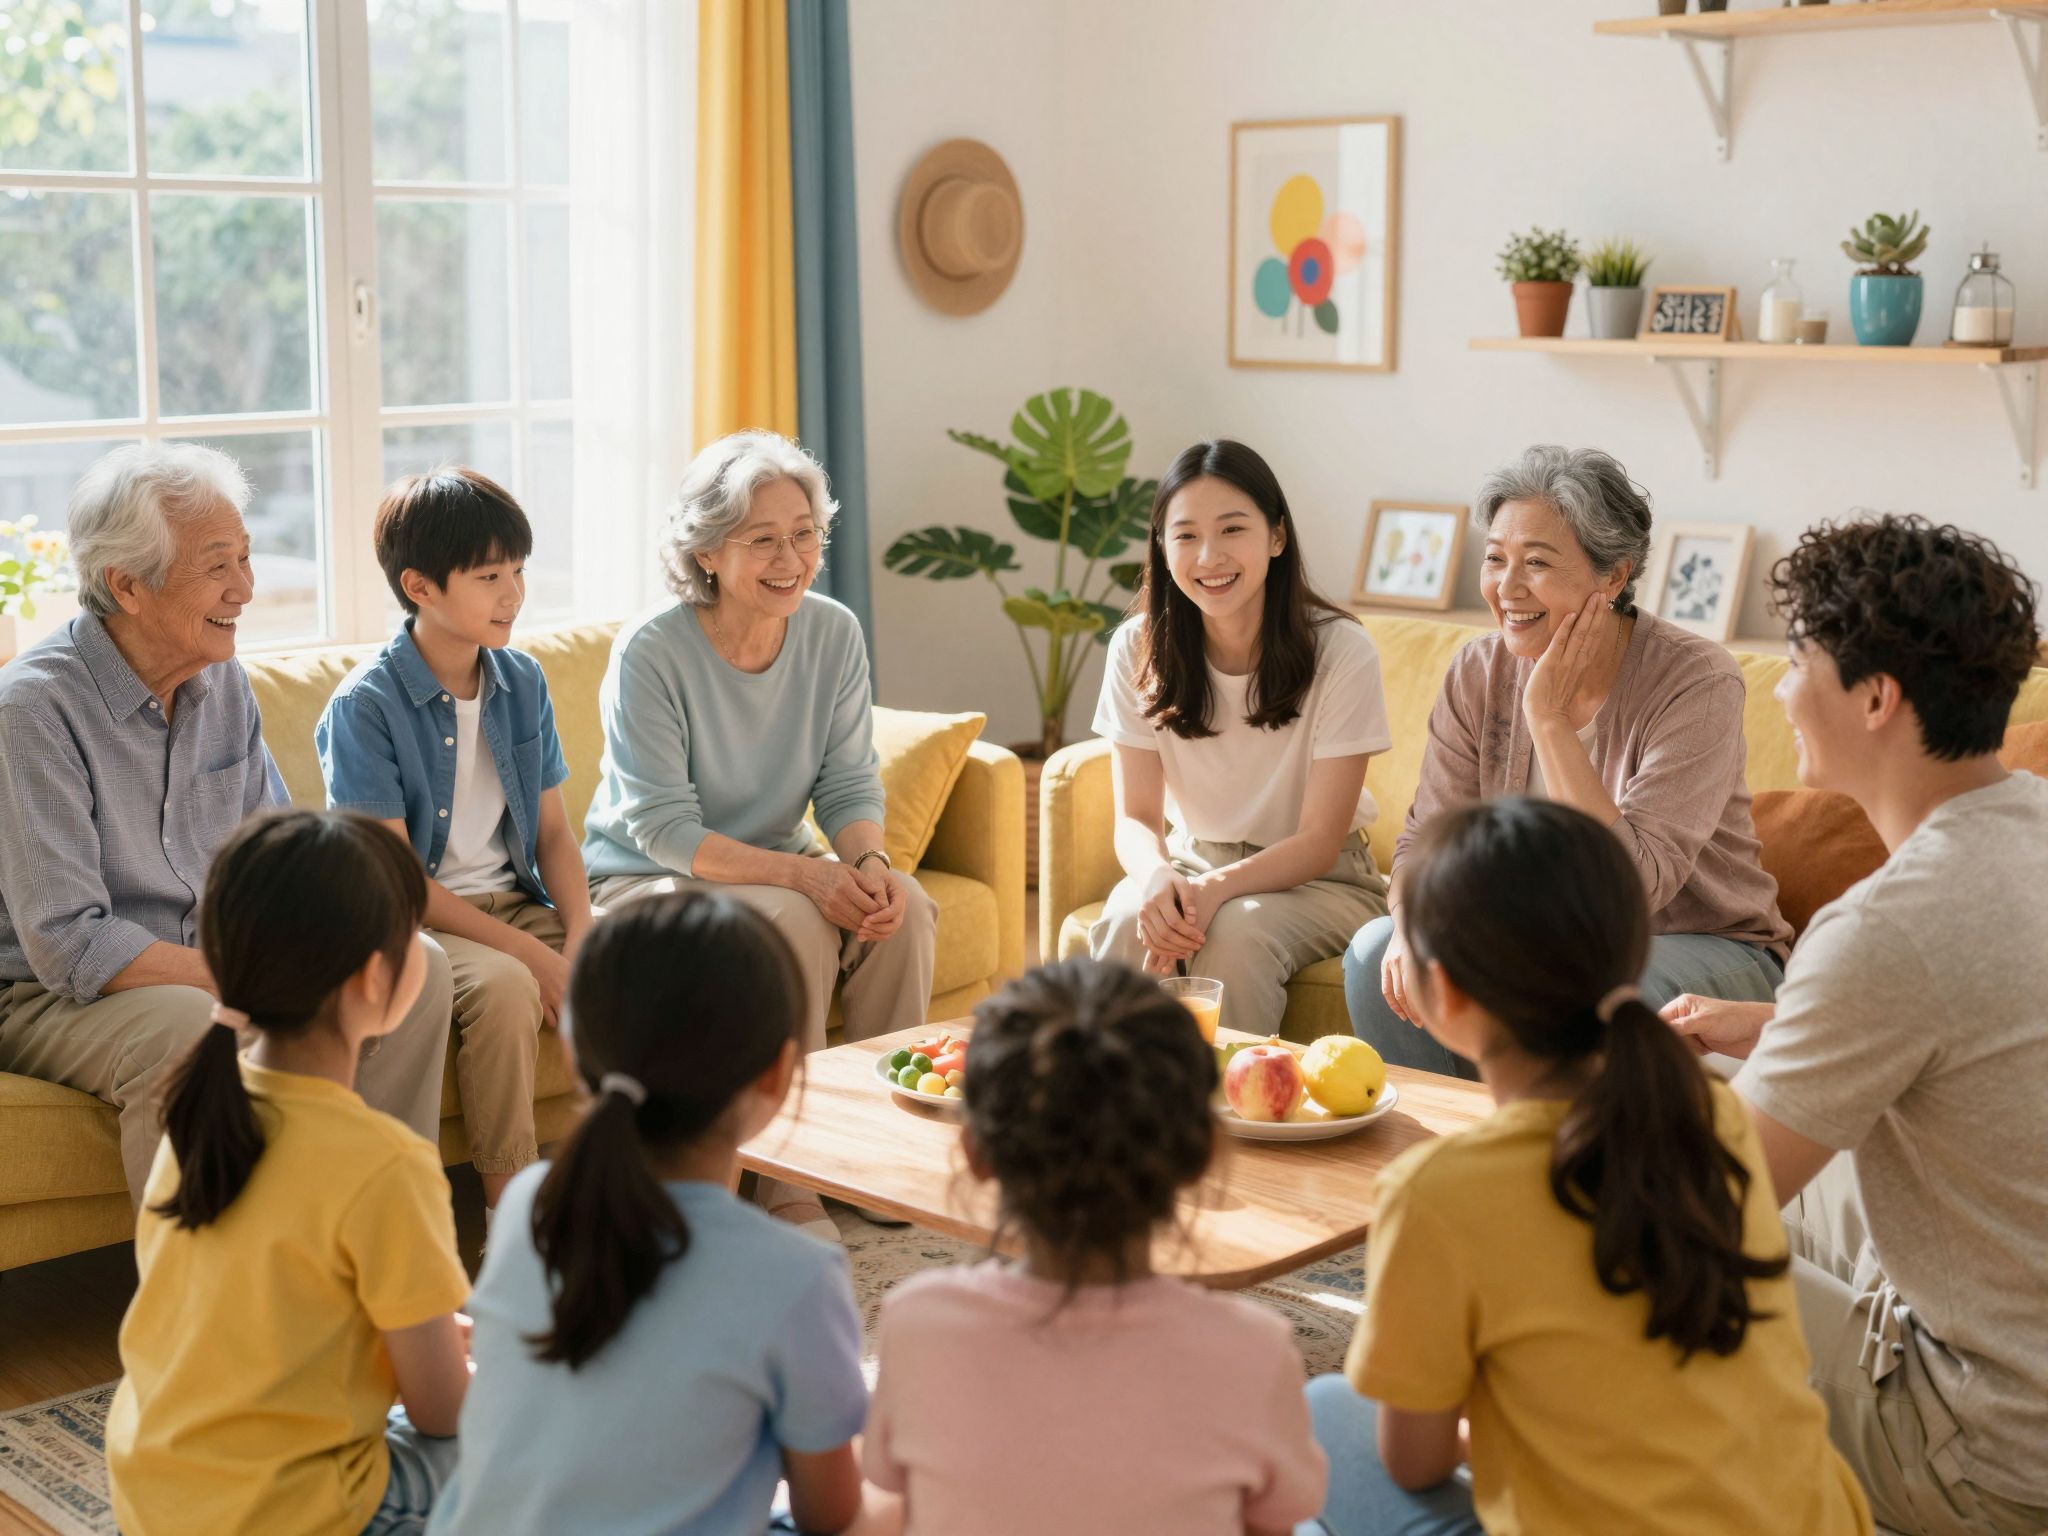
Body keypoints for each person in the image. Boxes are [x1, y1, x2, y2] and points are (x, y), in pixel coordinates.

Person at [1306, 797, 1869, 1536]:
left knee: (1319, 1414)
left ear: (1443, 991)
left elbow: (1417, 1462)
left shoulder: (1434, 1194)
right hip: (1812, 1517)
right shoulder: (1718, 1117)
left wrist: (1509, 1430)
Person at [1665, 515, 2048, 1535]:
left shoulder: (1888, 927)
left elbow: (1710, 1199)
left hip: (1978, 1449)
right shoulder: (2032, 828)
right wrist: (1773, 1024)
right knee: (1723, 1112)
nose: (1779, 687)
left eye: (1797, 659)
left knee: (1638, 1243)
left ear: (1875, 697)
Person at [0, 443, 451, 1201]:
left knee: (415, 965)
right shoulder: (32, 712)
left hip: (204, 960)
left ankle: (376, 1232)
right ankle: (211, 1309)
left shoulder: (221, 682)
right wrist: (259, 982)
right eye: (218, 566)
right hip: (52, 995)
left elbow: (281, 862)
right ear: (127, 585)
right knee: (191, 1029)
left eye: (245, 558)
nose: (245, 587)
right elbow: (69, 941)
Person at [426, 891, 870, 1536]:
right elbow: (829, 1516)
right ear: (777, 1074)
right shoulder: (798, 1275)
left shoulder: (527, 1207)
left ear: (576, 1055)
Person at [581, 429, 936, 1235]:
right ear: (707, 552)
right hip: (645, 878)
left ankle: (877, 1155)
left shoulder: (833, 632)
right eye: (764, 539)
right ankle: (790, 1176)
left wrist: (870, 862)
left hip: (773, 862)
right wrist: (807, 878)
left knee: (904, 908)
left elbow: (846, 779)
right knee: (791, 920)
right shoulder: (651, 651)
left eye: (805, 534)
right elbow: (664, 827)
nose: (793, 558)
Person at [1344, 444, 1789, 1079]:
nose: (1507, 587)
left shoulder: (1697, 681)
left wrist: (1547, 718)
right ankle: (1452, 1156)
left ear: (1613, 576)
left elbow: (1632, 888)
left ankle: (1548, 1171)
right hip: (1532, 942)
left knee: (1580, 989)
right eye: (1496, 559)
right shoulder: (1477, 668)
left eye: (1538, 564)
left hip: (1699, 944)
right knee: (1376, 954)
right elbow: (1425, 838)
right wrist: (1415, 926)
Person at [864, 958, 1327, 1535]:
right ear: (1203, 1153)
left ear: (976, 1152)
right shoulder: (1255, 1352)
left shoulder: (915, 1323)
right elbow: (1272, 1525)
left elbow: (896, 1497)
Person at [105, 811, 472, 1536]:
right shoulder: (384, 1162)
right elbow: (442, 1410)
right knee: (517, 1436)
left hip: (154, 1498)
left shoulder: (200, 1114)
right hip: (286, 1516)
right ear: (373, 977)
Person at [318, 468, 594, 1210]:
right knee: (507, 989)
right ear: (421, 586)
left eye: (519, 572)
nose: (513, 595)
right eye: (489, 576)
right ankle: (513, 1216)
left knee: (649, 955)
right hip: (422, 920)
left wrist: (583, 932)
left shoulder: (522, 681)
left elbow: (558, 835)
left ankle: (646, 1186)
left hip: (515, 899)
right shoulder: (365, 707)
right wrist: (536, 955)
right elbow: (400, 886)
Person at [1088, 439, 1392, 1036]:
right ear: (1161, 545)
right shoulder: (1135, 647)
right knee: (1128, 919)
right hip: (1191, 857)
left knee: (1235, 936)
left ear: (1276, 537)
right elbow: (1137, 817)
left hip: (1323, 878)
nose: (1209, 556)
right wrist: (1155, 879)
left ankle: (1237, 1125)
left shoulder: (1340, 651)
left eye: (1232, 530)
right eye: (1185, 535)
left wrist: (1213, 891)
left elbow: (1320, 839)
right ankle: (1116, 1117)